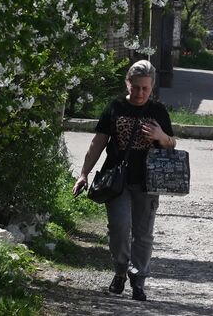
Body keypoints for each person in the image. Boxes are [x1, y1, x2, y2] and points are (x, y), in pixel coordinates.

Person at [75, 60, 177, 302]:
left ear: (152, 87)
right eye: (136, 87)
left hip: (148, 181)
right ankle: (121, 270)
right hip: (116, 180)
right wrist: (84, 173)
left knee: (143, 234)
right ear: (127, 84)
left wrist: (160, 136)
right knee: (119, 229)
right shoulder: (115, 107)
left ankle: (139, 280)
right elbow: (98, 142)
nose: (140, 93)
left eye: (145, 88)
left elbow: (171, 144)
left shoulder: (158, 111)